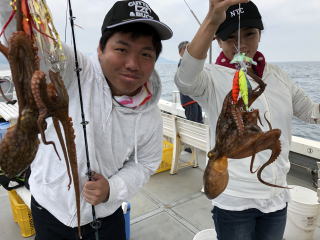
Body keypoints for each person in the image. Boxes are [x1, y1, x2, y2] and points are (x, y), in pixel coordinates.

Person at [0, 0, 172, 239]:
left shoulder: (151, 114)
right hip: (48, 209)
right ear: (100, 50)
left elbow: (145, 163)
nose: (132, 64)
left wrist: (112, 188)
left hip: (105, 216)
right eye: (121, 49)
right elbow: (26, 42)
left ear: (154, 61)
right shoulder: (74, 68)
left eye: (145, 54)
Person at [174, 1, 320, 240]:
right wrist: (212, 20)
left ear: (260, 34)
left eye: (249, 34)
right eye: (229, 37)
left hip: (276, 197)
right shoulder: (210, 78)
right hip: (234, 201)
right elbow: (185, 79)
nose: (240, 44)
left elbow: (311, 112)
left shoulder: (278, 76)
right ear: (217, 41)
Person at [177, 41, 203, 153]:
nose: (189, 50)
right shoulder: (182, 63)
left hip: (195, 98)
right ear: (181, 52)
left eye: (190, 48)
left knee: (199, 121)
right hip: (188, 100)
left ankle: (199, 143)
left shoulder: (187, 63)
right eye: (187, 48)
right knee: (192, 122)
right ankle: (189, 146)